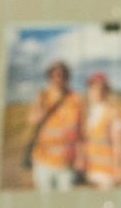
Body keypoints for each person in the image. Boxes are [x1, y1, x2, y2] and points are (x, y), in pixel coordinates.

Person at [25, 56, 85, 189]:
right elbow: (32, 120)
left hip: (66, 161)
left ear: (67, 77)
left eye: (63, 75)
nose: (59, 78)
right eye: (55, 75)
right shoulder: (42, 96)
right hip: (43, 159)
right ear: (50, 77)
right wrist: (43, 109)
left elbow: (80, 130)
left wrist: (80, 157)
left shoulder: (75, 98)